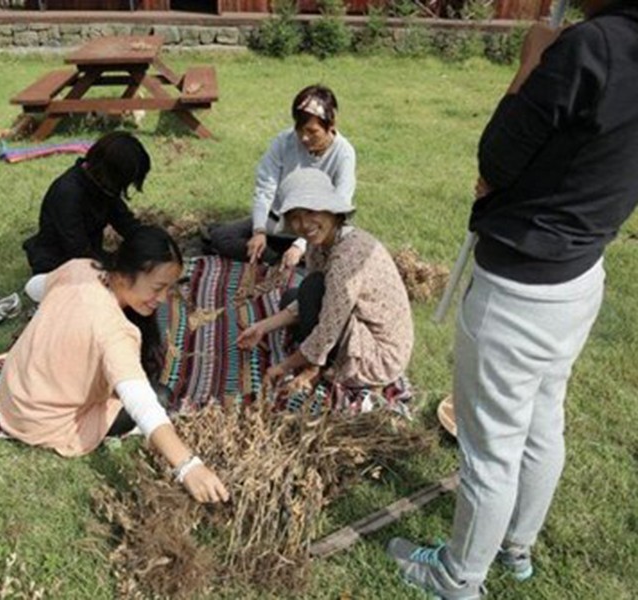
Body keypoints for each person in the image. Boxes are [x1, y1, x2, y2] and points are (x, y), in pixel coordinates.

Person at [387, 1, 638, 598]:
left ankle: (457, 577)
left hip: (519, 288)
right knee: (543, 418)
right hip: (580, 275)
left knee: (490, 447)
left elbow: (498, 156)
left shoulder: (590, 47)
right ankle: (516, 548)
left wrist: (531, 61)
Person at [0, 226, 229, 504]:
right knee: (160, 396)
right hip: (40, 420)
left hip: (13, 393)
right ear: (122, 274)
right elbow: (142, 402)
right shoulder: (115, 332)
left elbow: (33, 287)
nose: (164, 298)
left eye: (169, 288)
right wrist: (189, 467)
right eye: (158, 288)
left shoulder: (79, 269)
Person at [236, 168, 413, 396]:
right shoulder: (319, 244)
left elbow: (329, 326)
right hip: (351, 320)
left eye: (311, 212)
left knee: (311, 289)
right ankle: (316, 356)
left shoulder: (348, 255)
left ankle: (316, 369)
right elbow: (318, 302)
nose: (304, 224)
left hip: (379, 354)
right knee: (294, 296)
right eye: (295, 218)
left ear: (332, 211)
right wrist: (262, 327)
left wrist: (285, 366)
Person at [208, 85, 356, 268]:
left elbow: (339, 205)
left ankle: (289, 258)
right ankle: (279, 260)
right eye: (300, 129)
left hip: (315, 230)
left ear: (330, 125)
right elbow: (265, 187)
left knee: (339, 255)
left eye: (312, 132)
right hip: (279, 222)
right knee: (221, 237)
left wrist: (300, 245)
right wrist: (259, 231)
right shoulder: (283, 142)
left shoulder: (344, 154)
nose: (304, 138)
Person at [22, 131, 149, 275]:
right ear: (111, 175)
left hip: (87, 259)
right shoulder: (68, 193)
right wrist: (121, 263)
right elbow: (78, 249)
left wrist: (153, 242)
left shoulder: (101, 186)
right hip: (56, 266)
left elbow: (127, 224)